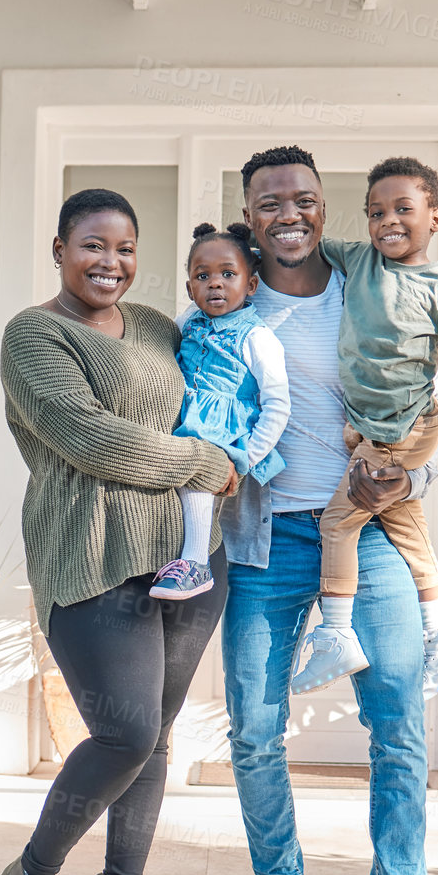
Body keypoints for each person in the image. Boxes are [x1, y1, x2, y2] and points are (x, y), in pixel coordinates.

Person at [209, 146, 438, 875]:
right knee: (253, 725)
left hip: (368, 534)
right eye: (267, 203)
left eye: (303, 200)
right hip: (265, 537)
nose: (287, 214)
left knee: (396, 721)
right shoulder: (229, 306)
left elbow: (426, 409)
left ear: (324, 210)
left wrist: (417, 470)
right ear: (248, 217)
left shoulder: (375, 285)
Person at [0, 188, 238, 875]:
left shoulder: (162, 330)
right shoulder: (34, 334)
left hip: (190, 557)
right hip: (91, 553)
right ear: (60, 248)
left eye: (126, 249)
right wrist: (201, 462)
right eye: (93, 246)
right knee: (123, 733)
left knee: (155, 741)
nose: (111, 263)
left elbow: (217, 393)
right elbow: (87, 436)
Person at [289, 157, 438, 698]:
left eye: (403, 209)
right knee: (403, 520)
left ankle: (336, 633)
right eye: (376, 212)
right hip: (369, 430)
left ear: (435, 218)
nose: (388, 221)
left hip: (408, 425)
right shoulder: (357, 259)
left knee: (337, 523)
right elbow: (303, 238)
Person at [150, 221, 290, 601]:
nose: (215, 283)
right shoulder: (187, 321)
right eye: (203, 276)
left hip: (226, 431)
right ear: (189, 288)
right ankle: (174, 555)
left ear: (251, 285)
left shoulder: (257, 337)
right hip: (187, 416)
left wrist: (246, 457)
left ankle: (195, 564)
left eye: (228, 274)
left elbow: (278, 405)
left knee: (198, 470)